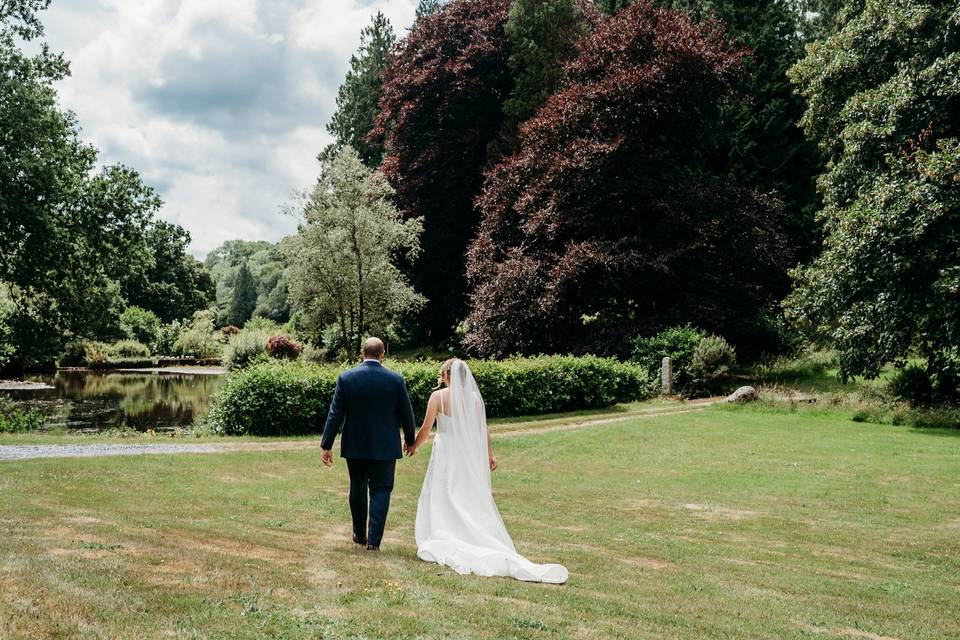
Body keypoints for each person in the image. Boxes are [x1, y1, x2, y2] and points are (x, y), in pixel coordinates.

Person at [409, 358, 568, 583]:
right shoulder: (473, 398)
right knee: (464, 491)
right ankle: (468, 528)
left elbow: (426, 428)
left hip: (446, 450)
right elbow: (482, 429)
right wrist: (489, 453)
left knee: (444, 490)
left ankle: (445, 530)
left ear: (446, 376)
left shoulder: (438, 397)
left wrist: (414, 446)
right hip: (466, 452)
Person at [320, 337, 416, 551]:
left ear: (362, 353)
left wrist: (326, 444)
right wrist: (410, 440)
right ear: (383, 354)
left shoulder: (346, 378)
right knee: (382, 490)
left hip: (356, 444)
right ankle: (374, 542)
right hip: (385, 445)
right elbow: (406, 414)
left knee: (358, 486)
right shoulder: (395, 379)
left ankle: (359, 534)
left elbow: (335, 414)